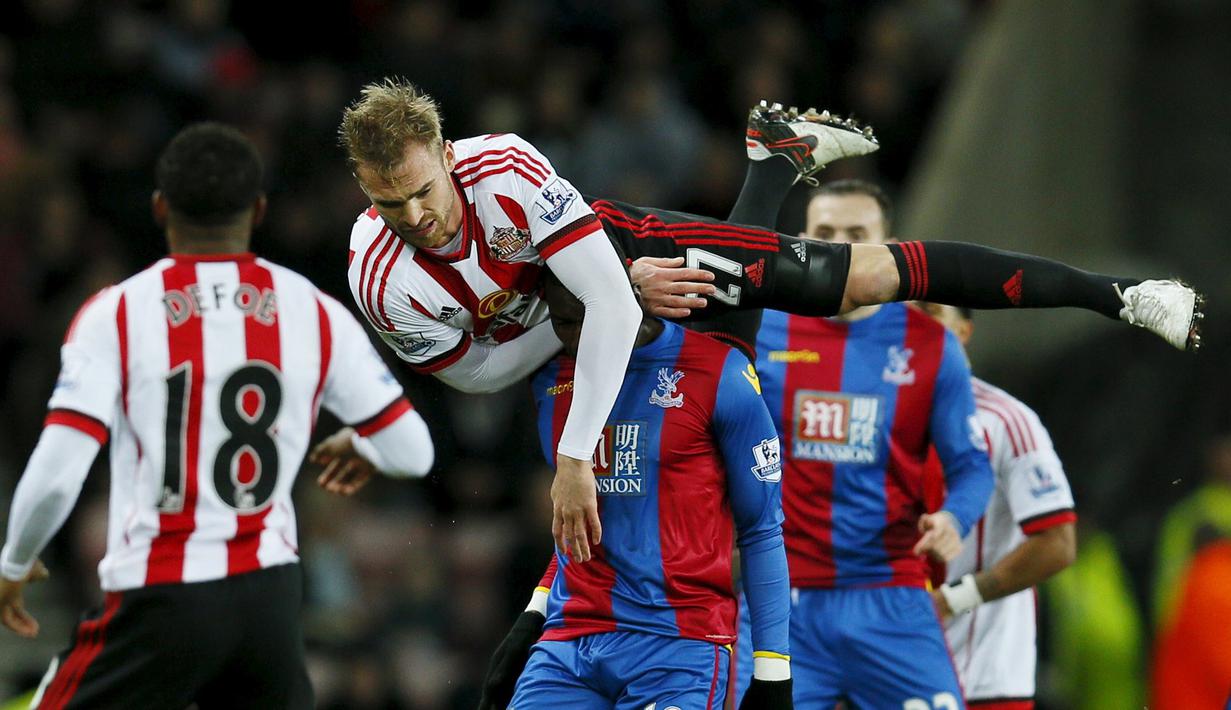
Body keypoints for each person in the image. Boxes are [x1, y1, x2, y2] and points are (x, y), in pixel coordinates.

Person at [338, 77, 1202, 566]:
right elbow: (475, 373)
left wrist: (578, 435)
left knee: (862, 278)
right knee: (724, 374)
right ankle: (779, 155)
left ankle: (1118, 294)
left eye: (423, 189)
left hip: (632, 250)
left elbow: (604, 293)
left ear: (447, 157)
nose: (415, 214)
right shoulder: (379, 276)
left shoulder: (508, 171)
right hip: (582, 327)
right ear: (365, 195)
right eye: (390, 202)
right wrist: (584, 312)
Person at [0, 123, 435, 709]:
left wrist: (14, 563)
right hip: (271, 599)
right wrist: (362, 446)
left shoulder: (118, 313)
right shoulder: (313, 310)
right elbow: (414, 451)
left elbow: (57, 472)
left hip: (161, 593)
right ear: (258, 211)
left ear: (160, 208)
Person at [734, 179, 993, 709]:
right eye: (824, 233)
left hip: (891, 597)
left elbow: (971, 467)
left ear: (888, 247)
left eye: (857, 234)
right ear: (801, 240)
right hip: (780, 605)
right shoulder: (760, 333)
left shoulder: (930, 344)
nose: (839, 247)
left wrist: (953, 520)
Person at [482, 272, 793, 709]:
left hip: (679, 646)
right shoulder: (552, 376)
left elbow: (761, 530)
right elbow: (583, 522)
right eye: (562, 323)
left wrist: (773, 672)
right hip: (570, 644)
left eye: (583, 320)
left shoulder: (717, 372)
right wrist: (533, 616)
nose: (573, 338)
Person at [923, 303, 1078, 710]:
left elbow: (1058, 543)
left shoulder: (1006, 421)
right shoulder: (873, 412)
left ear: (963, 331)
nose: (914, 327)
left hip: (984, 679)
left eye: (930, 313)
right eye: (903, 315)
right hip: (882, 671)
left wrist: (952, 600)